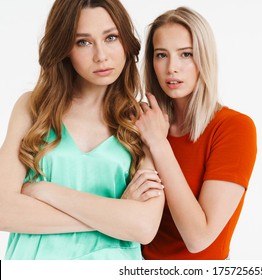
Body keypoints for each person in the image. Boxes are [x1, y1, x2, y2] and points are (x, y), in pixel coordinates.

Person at [0, 0, 164, 260]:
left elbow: (143, 227)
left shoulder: (143, 121)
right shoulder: (33, 108)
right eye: (83, 42)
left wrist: (47, 192)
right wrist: (117, 214)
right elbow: (3, 211)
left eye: (111, 37)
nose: (101, 55)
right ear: (64, 48)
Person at [136, 6, 257, 260]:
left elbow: (198, 238)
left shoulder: (234, 128)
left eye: (186, 54)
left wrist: (158, 144)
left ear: (204, 58)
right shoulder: (145, 124)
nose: (172, 67)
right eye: (161, 55)